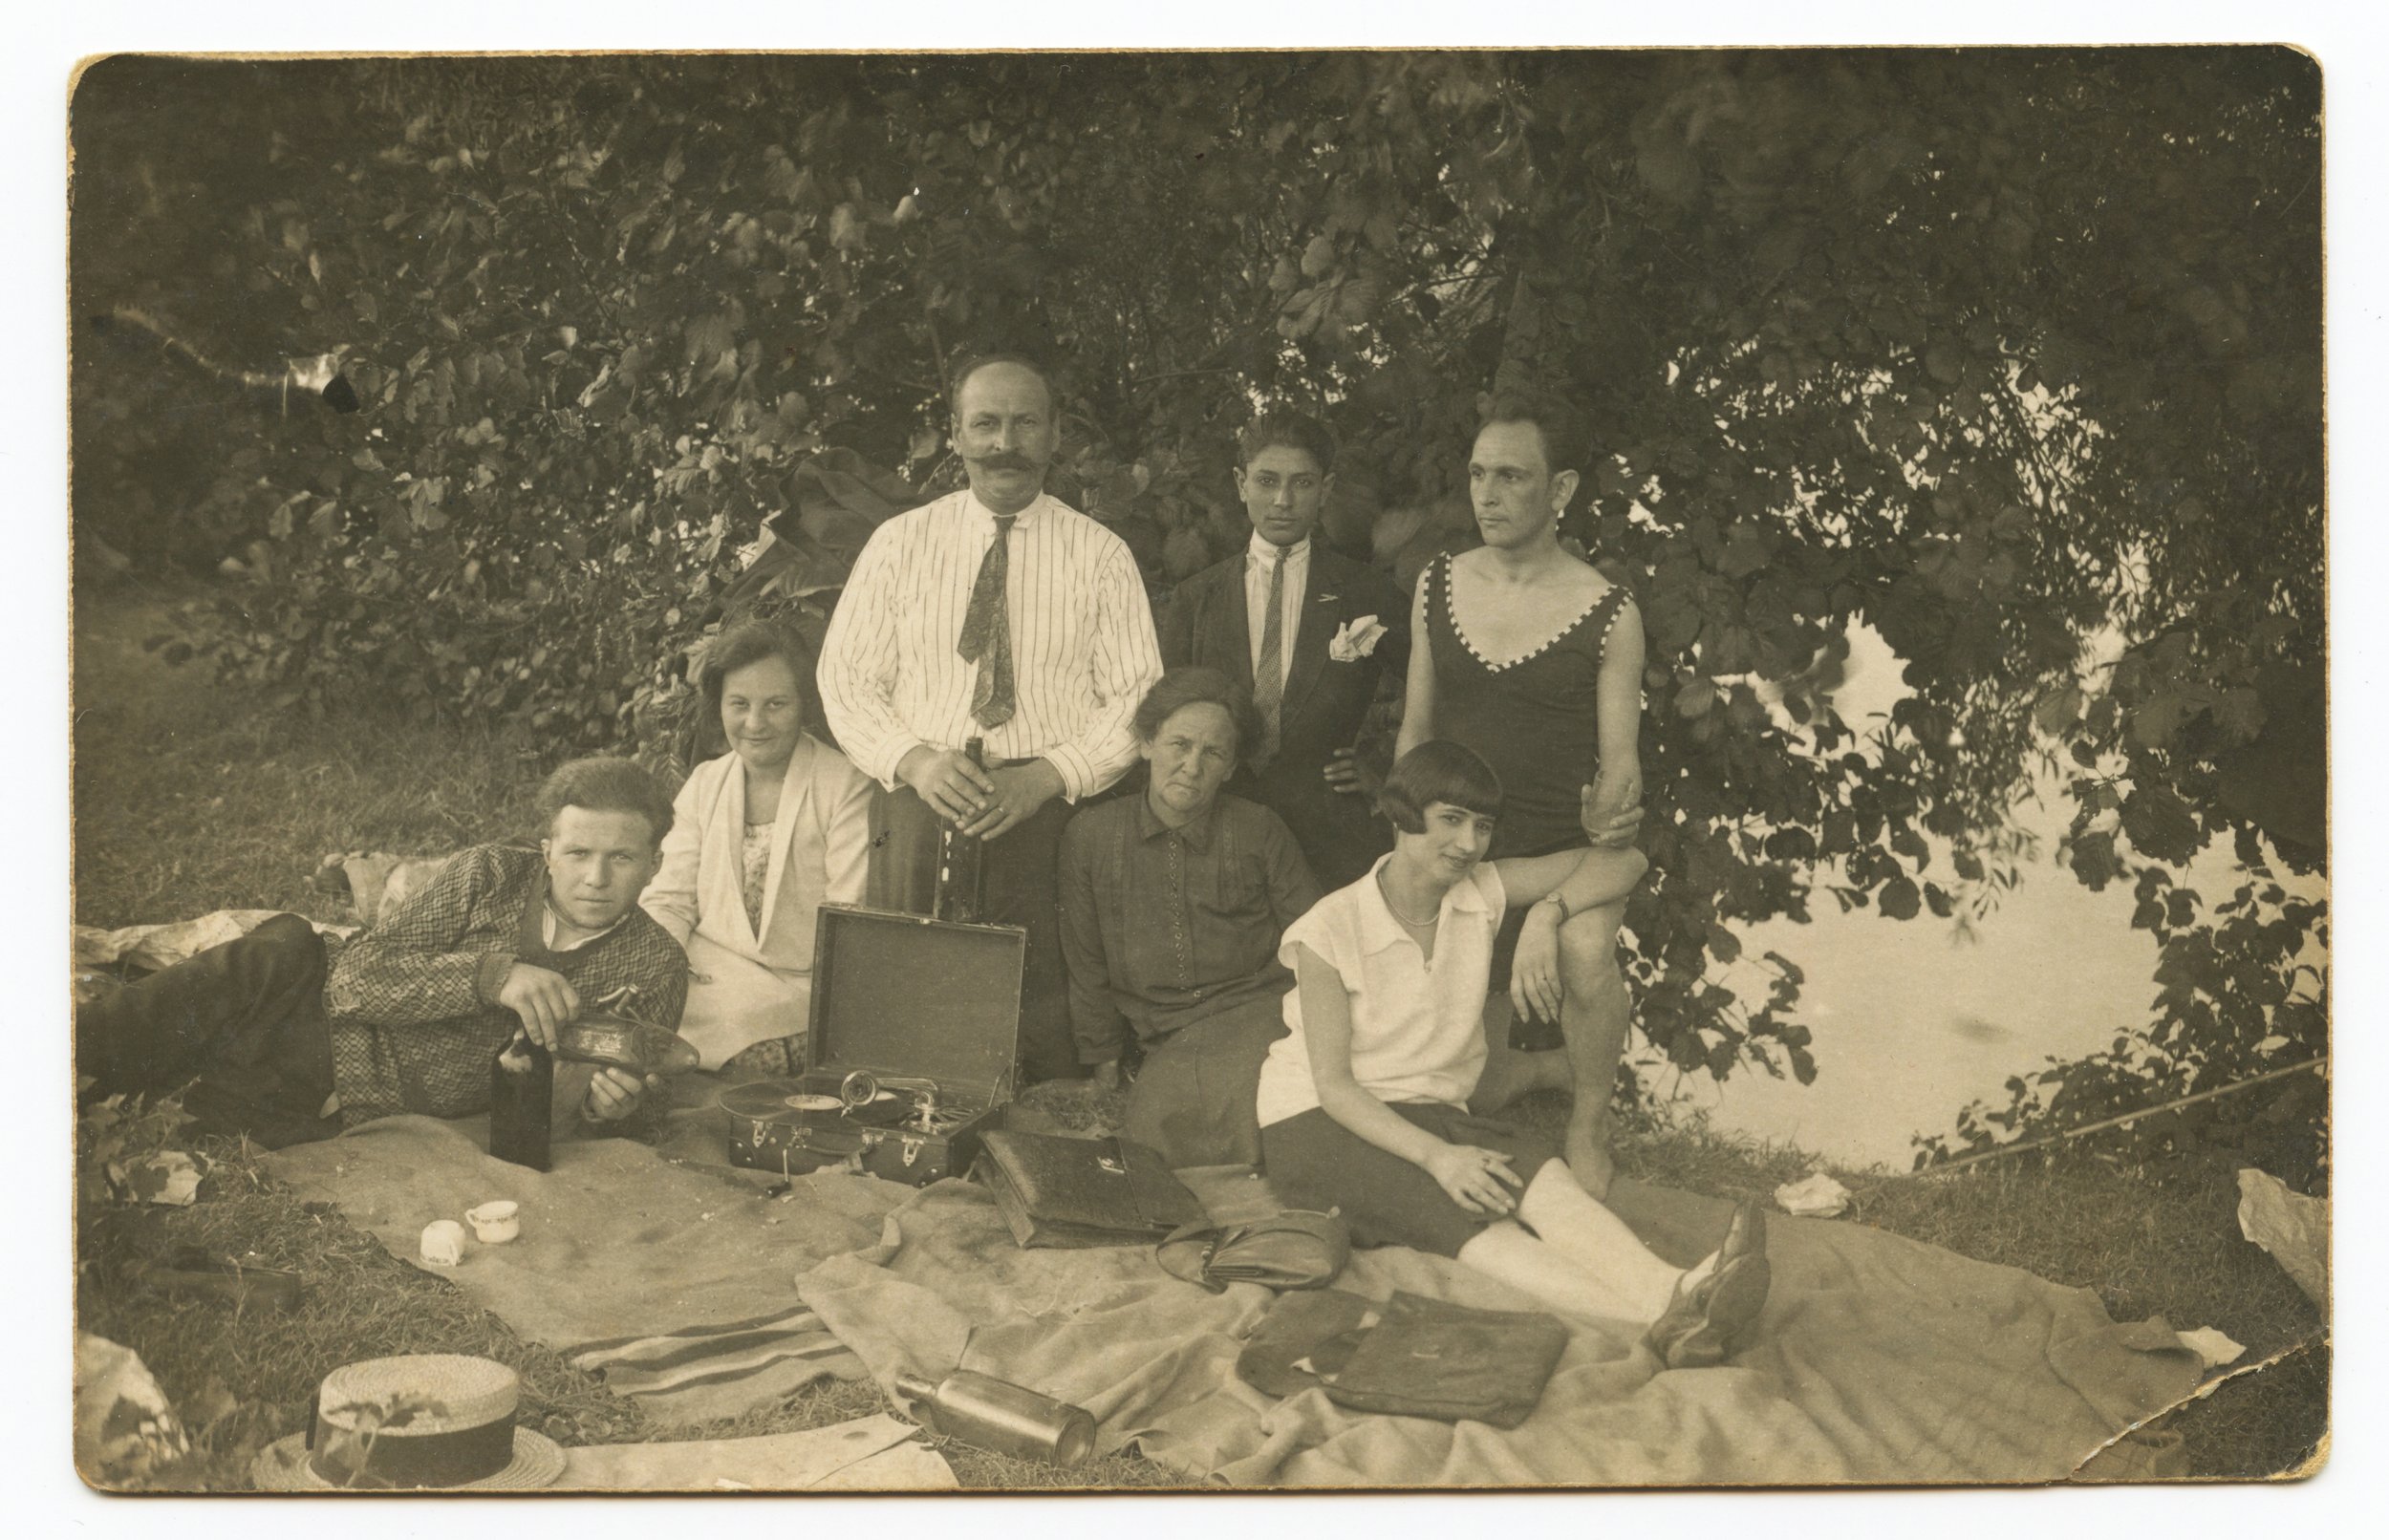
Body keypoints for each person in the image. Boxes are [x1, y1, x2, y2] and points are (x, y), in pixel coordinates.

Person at [1256, 741, 1766, 1365]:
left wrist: (1547, 915)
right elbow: (1334, 1087)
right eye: (1451, 820)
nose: (1469, 843)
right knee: (1463, 1208)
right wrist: (1441, 1159)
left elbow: (1624, 859)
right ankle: (1658, 1319)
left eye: (1483, 826)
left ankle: (1672, 1288)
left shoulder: (1479, 892)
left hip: (1427, 1108)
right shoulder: (1328, 929)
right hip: (1317, 1123)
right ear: (1401, 816)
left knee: (1535, 1175)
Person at [818, 353, 1164, 1082]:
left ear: (1055, 434)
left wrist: (1048, 776)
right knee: (908, 995)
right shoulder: (901, 544)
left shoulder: (1100, 555)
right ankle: (905, 1131)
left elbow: (1138, 696)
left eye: (1024, 423)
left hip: (1047, 816)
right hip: (920, 800)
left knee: (1043, 1009)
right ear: (955, 434)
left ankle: (1034, 1144)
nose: (1005, 443)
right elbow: (845, 678)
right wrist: (914, 761)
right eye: (985, 424)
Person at [76, 758, 691, 1147]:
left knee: (160, 1106)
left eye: (622, 858)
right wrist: (491, 974)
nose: (595, 878)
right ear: (547, 850)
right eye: (578, 854)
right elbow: (356, 979)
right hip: (304, 1010)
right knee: (271, 952)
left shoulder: (655, 963)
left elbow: (649, 1082)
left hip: (331, 1103)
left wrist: (621, 1106)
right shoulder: (490, 875)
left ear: (654, 865)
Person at [1394, 391, 1646, 1197]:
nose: (1489, 495)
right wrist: (1407, 848)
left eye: (1512, 476)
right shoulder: (1438, 581)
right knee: (1457, 1089)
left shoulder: (1607, 612)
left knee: (1581, 948)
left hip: (1559, 852)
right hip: (1458, 845)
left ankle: (1589, 1121)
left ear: (1561, 491)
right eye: (1477, 475)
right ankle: (1541, 1072)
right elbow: (1415, 731)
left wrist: (1555, 905)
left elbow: (1619, 805)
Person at [1057, 668, 1323, 1166]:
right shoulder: (1090, 836)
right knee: (1162, 1118)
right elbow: (1086, 960)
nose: (1192, 766)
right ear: (1146, 745)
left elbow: (1318, 941)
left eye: (1214, 753)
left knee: (1260, 1101)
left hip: (1260, 1014)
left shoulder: (1260, 829)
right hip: (1168, 1034)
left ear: (1231, 767)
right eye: (1179, 744)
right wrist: (1103, 1063)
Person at [1159, 412, 1409, 889]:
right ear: (1240, 483)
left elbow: (1434, 682)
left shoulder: (1365, 592)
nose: (1283, 501)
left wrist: (1383, 765)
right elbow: (1167, 718)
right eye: (1267, 481)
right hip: (1217, 821)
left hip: (1330, 831)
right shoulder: (1197, 597)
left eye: (1302, 483)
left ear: (1326, 488)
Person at [640, 620, 875, 1076]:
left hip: (793, 987)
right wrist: (656, 977)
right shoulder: (706, 782)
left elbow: (849, 916)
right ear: (719, 706)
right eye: (739, 704)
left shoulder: (844, 784)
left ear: (805, 704)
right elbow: (669, 898)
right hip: (707, 975)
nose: (755, 724)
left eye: (776, 705)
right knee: (627, 1014)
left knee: (740, 1043)